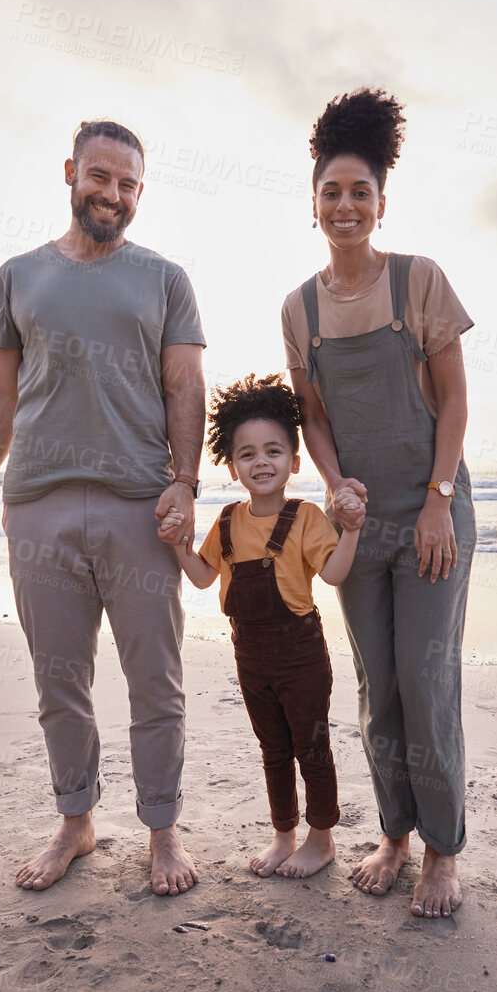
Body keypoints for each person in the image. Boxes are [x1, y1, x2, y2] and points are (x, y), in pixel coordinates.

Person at [0, 118, 206, 896]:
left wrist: (186, 482)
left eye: (128, 183)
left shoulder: (166, 279)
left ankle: (163, 829)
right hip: (37, 502)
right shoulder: (17, 275)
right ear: (71, 172)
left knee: (154, 679)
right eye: (100, 177)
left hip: (139, 505)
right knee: (58, 678)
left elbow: (185, 386)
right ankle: (77, 820)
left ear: (140, 192)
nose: (113, 194)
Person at [282, 88, 475, 918]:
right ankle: (394, 834)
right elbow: (314, 419)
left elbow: (456, 403)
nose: (346, 204)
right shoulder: (298, 309)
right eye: (332, 192)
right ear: (314, 204)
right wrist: (332, 486)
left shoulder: (418, 283)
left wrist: (437, 499)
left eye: (360, 191)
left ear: (381, 202)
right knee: (377, 688)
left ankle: (442, 851)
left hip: (432, 514)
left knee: (427, 682)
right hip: (360, 527)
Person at [168, 374, 365, 879]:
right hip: (249, 654)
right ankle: (284, 836)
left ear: (294, 463)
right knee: (273, 749)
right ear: (232, 466)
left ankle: (321, 841)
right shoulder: (228, 521)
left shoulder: (304, 519)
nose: (262, 462)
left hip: (301, 654)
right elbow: (203, 577)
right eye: (248, 453)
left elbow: (336, 574)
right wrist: (177, 546)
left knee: (312, 748)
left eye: (274, 451)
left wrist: (352, 532)